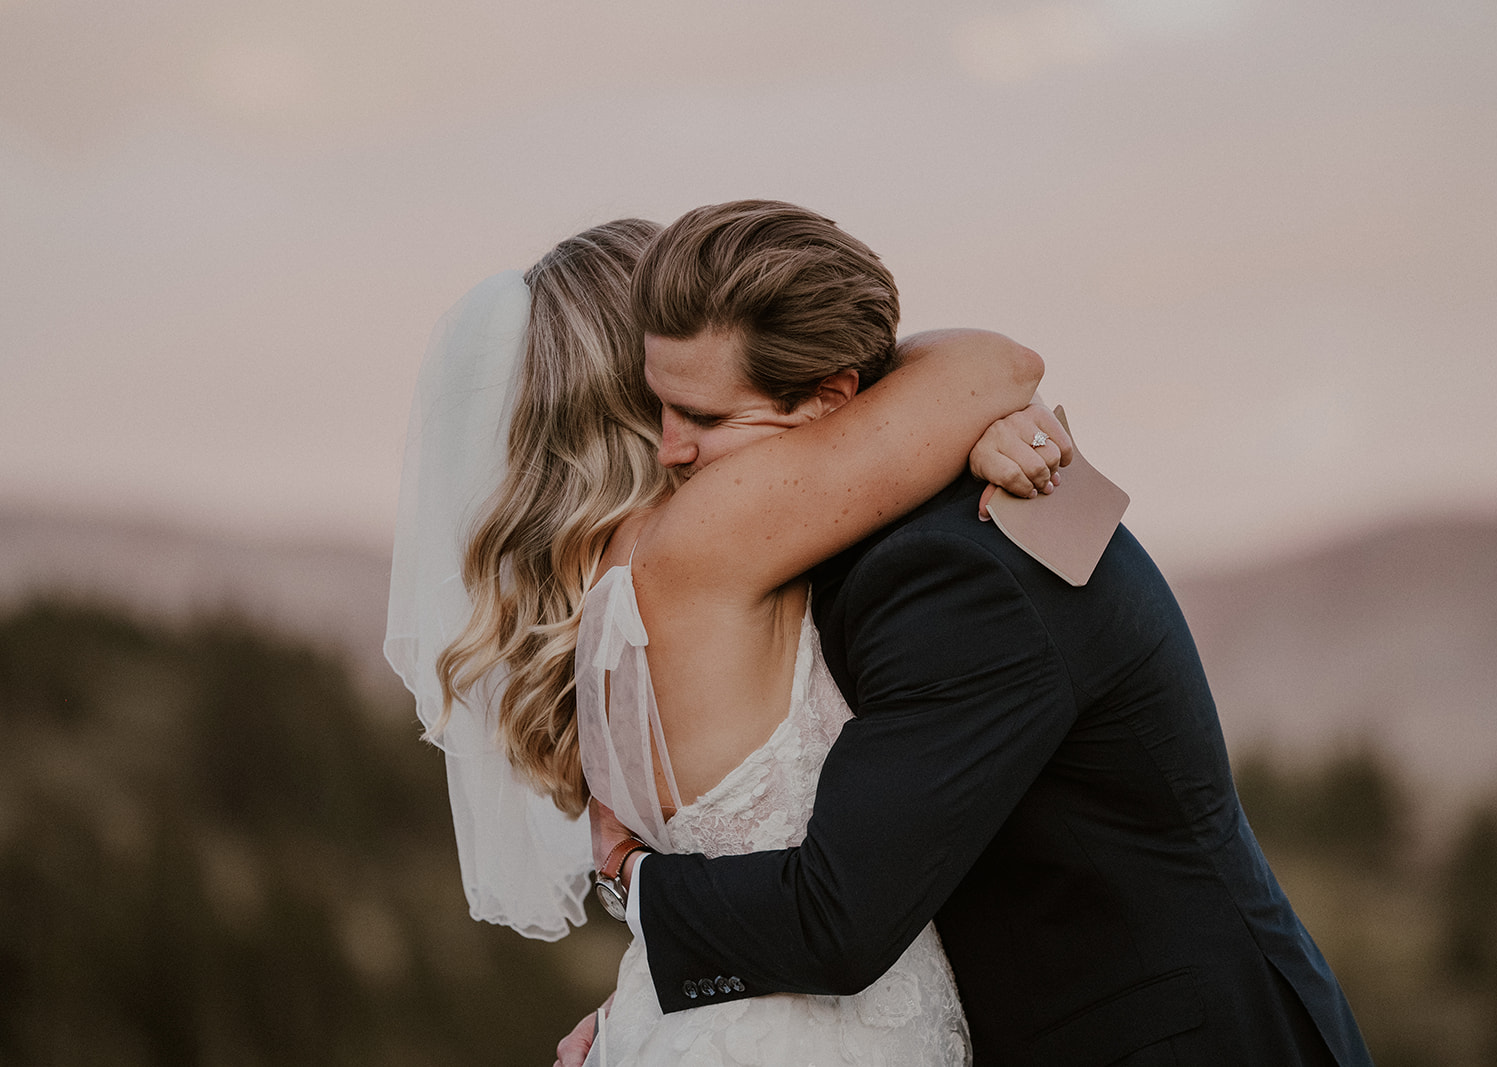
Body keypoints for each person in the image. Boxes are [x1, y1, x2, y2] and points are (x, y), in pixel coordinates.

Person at [571, 200, 1376, 1066]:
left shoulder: (952, 576)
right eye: (661, 408)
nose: (669, 450)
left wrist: (631, 878)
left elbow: (836, 918)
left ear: (833, 398)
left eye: (706, 418)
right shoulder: (891, 516)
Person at [385, 214, 1058, 1065]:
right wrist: (995, 415)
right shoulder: (711, 535)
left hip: (680, 1019)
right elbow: (994, 367)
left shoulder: (590, 590)